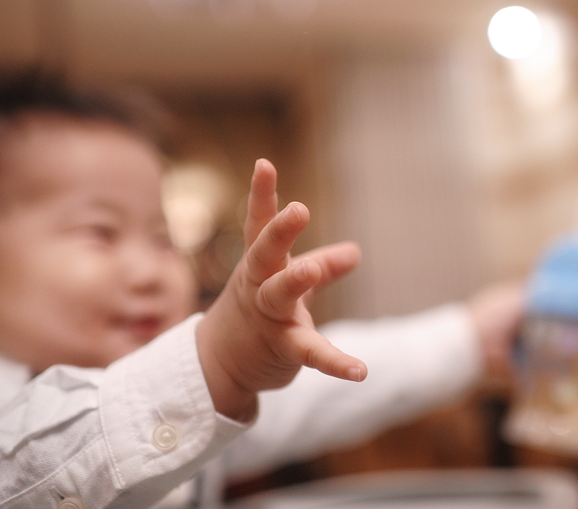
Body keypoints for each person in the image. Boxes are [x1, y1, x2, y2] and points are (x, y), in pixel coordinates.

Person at [0, 76, 525, 509]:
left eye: (163, 239)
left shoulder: (202, 405)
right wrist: (217, 360)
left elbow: (322, 390)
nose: (150, 271)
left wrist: (470, 334)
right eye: (100, 232)